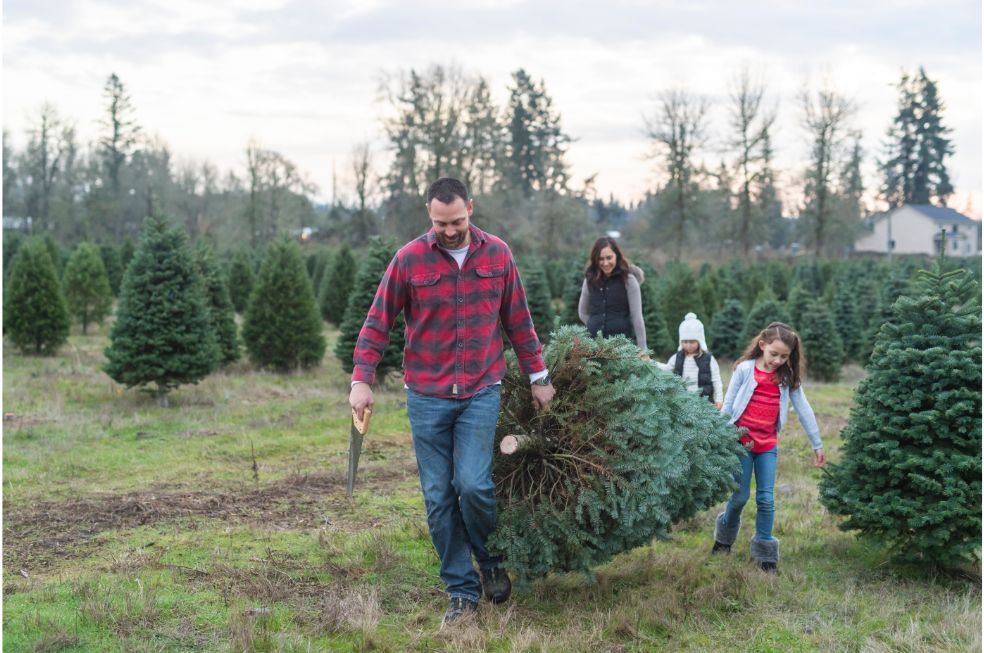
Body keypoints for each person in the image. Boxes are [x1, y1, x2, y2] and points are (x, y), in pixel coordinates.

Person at [348, 177, 556, 626]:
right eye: (441, 223)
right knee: (438, 497)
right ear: (429, 213)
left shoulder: (498, 254)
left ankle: (491, 559)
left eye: (457, 221)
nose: (450, 230)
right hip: (426, 396)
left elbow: (519, 320)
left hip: (482, 389)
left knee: (475, 486)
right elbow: (376, 323)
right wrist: (361, 380)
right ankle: (461, 590)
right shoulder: (408, 259)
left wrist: (539, 376)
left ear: (471, 209)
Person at [710, 322, 826, 574]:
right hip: (740, 443)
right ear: (762, 345)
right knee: (740, 497)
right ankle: (724, 537)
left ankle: (765, 555)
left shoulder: (787, 377)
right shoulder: (744, 370)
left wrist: (817, 444)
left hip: (767, 446)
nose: (778, 360)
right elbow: (728, 405)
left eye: (785, 356)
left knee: (766, 499)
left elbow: (804, 409)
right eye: (774, 354)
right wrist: (716, 436)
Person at [577, 237, 647, 354]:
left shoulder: (629, 280)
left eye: (609, 258)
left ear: (617, 256)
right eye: (601, 259)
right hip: (593, 350)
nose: (605, 263)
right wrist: (595, 325)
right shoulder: (589, 280)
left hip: (622, 349)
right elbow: (582, 312)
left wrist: (643, 349)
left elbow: (637, 317)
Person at [666, 312, 723, 409]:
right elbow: (667, 368)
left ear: (699, 341)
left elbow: (716, 379)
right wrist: (650, 362)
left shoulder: (708, 358)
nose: (688, 345)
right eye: (685, 342)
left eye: (692, 342)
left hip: (703, 403)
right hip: (683, 402)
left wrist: (719, 399)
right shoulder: (677, 357)